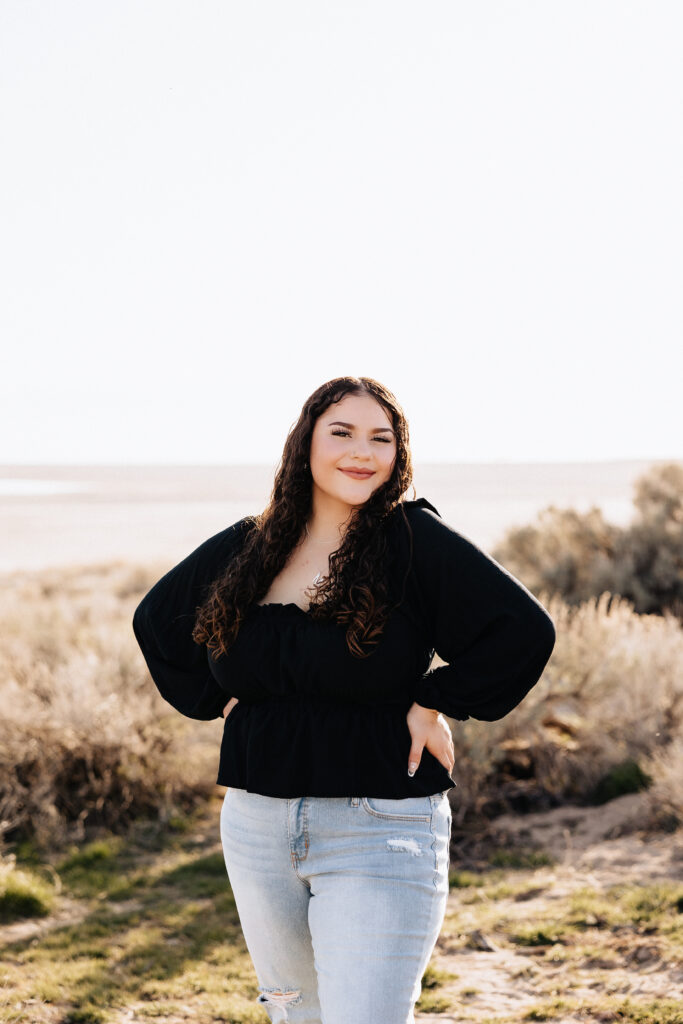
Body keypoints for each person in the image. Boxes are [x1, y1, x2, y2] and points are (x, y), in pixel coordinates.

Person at [132, 375, 556, 1024]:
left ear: (398, 455)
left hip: (378, 824)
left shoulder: (410, 541)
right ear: (304, 443)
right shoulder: (252, 545)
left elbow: (520, 631)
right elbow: (158, 619)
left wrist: (433, 699)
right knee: (296, 1018)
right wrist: (217, 701)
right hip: (256, 825)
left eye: (380, 438)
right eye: (342, 433)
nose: (363, 451)